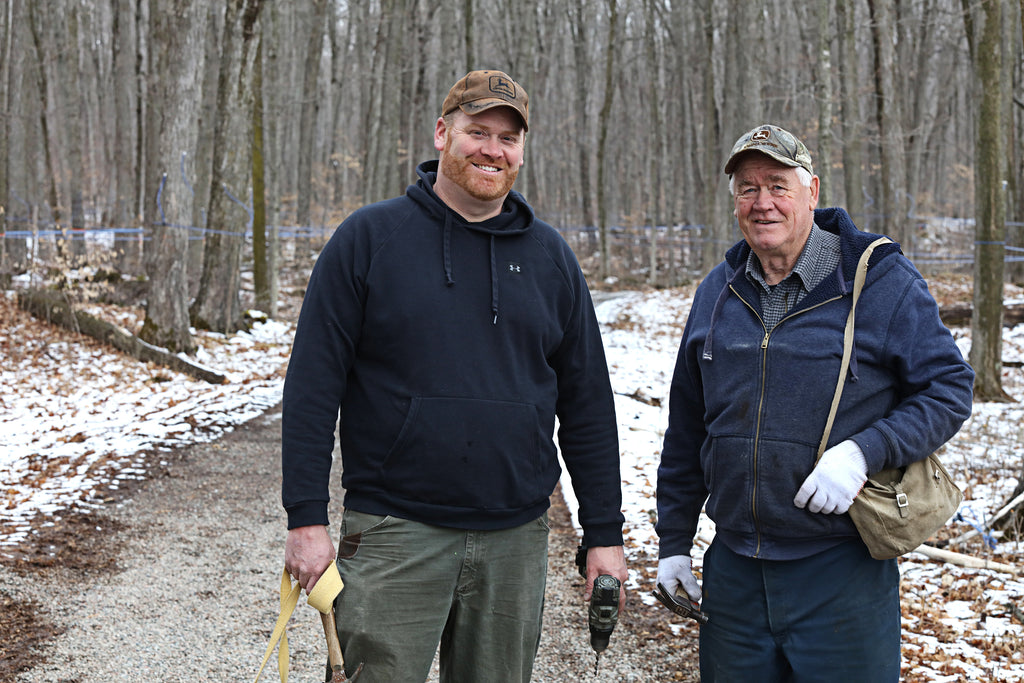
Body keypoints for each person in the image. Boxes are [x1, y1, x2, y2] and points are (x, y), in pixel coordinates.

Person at [281, 69, 627, 682]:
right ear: (443, 134)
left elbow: (588, 406)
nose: (493, 150)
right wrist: (305, 519)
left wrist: (602, 532)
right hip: (394, 533)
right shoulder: (369, 239)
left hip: (514, 541)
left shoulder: (551, 259)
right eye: (478, 131)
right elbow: (312, 386)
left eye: (508, 138)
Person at [655, 124, 974, 681]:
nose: (762, 203)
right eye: (748, 188)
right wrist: (674, 542)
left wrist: (863, 451)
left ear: (812, 192)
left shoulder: (878, 281)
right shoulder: (717, 291)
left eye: (778, 185)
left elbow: (949, 386)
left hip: (840, 571)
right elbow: (686, 427)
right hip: (733, 573)